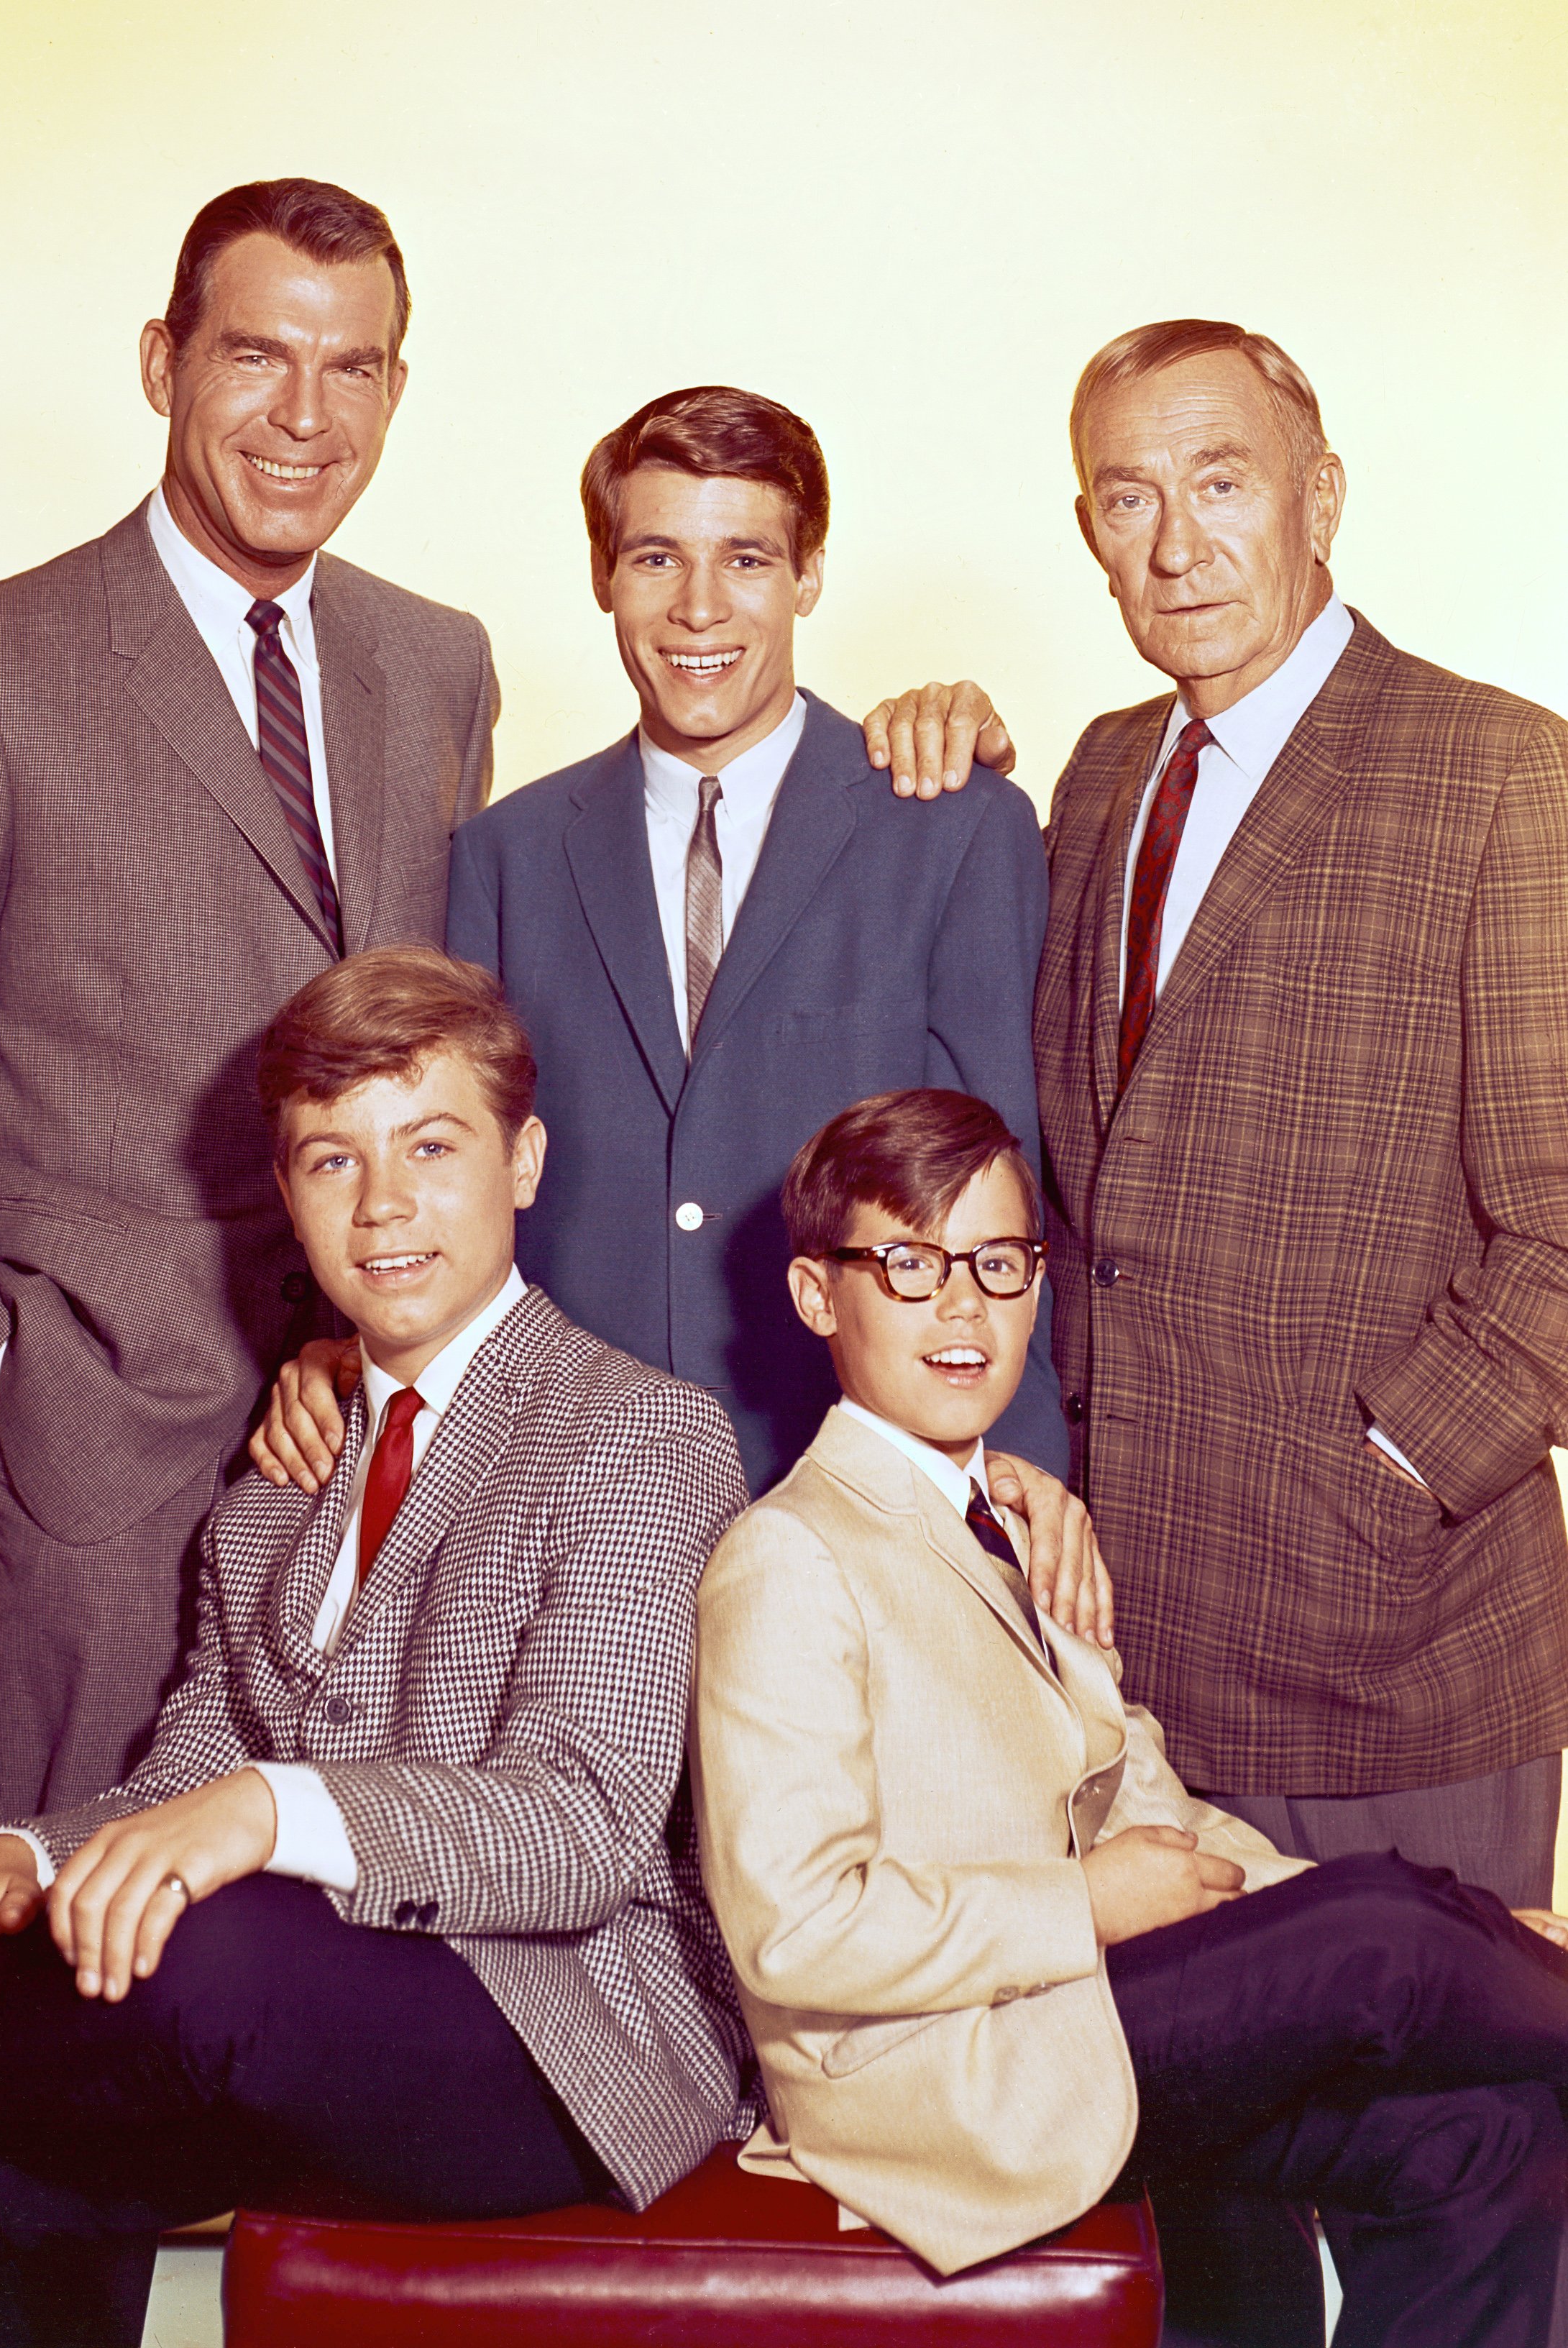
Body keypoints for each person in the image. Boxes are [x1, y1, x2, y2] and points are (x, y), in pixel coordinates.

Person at [0, 948, 756, 2348]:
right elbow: (189, 1759)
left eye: (432, 1146)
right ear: (290, 1194)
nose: (383, 1208)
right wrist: (20, 1855)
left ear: (524, 1159)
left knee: (215, 1943)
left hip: (563, 2035)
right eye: (330, 1162)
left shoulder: (634, 1434)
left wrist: (265, 1811)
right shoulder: (273, 1486)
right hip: (281, 2032)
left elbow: (585, 1826)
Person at [0, 178, 503, 1826]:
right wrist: (9, 1383)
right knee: (67, 1947)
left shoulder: (437, 662)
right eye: (256, 357)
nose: (305, 418)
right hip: (111, 1441)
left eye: (355, 367)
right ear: (163, 361)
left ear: (397, 387)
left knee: (339, 1931)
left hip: (389, 1411)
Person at [865, 319, 1568, 1914]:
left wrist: (1383, 1470)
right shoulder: (1101, 774)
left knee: (1416, 2147)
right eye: (1126, 501)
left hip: (1402, 1665)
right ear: (1087, 535)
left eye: (1220, 481)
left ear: (1320, 495)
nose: (1175, 545)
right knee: (1181, 2149)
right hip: (1122, 1651)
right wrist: (940, 772)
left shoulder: (1504, 774)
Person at [691, 1084, 1568, 2348]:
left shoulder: (1022, 1528)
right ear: (818, 1295)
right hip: (942, 2077)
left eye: (998, 1263)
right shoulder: (786, 1556)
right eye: (909, 1263)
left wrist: (1411, 1921)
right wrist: (1089, 1903)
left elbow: (1152, 1809)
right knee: (1378, 1929)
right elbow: (797, 1931)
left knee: (1495, 2138)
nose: (962, 1307)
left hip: (1085, 2015)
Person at [257, 385, 1109, 1642]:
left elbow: (1010, 1187)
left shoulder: (953, 831)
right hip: (566, 1521)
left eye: (747, 559)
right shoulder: (505, 855)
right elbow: (457, 1176)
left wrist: (1014, 1474)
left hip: (861, 1505)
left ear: (810, 574)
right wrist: (353, 1355)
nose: (699, 609)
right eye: (657, 557)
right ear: (604, 575)